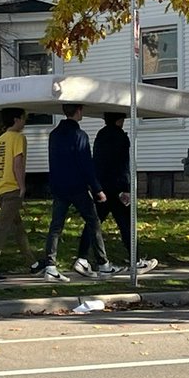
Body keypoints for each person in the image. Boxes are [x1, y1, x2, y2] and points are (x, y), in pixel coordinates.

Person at [42, 104, 124, 281]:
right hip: (77, 187)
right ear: (78, 111)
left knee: (56, 226)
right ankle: (103, 263)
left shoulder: (54, 135)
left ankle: (50, 265)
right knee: (93, 223)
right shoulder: (80, 135)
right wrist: (97, 189)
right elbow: (86, 165)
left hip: (59, 186)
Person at [75, 112, 159, 277]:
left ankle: (82, 257)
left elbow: (98, 161)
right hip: (117, 188)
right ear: (119, 120)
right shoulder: (120, 137)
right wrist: (126, 188)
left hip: (102, 187)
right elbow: (122, 165)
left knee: (94, 223)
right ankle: (135, 260)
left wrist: (96, 186)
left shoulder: (101, 135)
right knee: (126, 225)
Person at [0, 107, 43, 282]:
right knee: (2, 228)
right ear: (16, 120)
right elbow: (18, 164)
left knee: (18, 229)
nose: (24, 122)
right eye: (23, 119)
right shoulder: (18, 138)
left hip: (0, 188)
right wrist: (22, 186)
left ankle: (33, 264)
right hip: (12, 188)